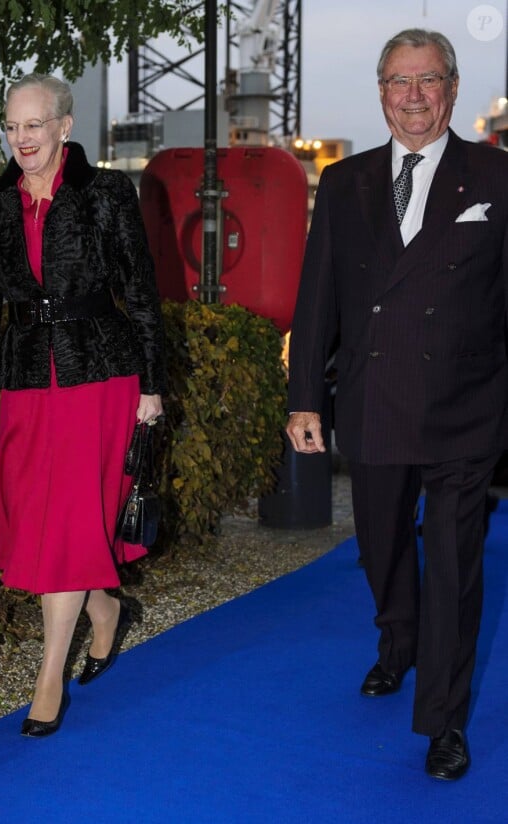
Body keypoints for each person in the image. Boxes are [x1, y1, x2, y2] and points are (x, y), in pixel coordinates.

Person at [286, 28, 508, 781]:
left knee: (453, 563)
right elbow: (318, 297)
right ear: (380, 92)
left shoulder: (497, 178)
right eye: (398, 81)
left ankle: (443, 721)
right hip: (375, 400)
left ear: (452, 87)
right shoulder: (345, 183)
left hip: (465, 406)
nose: (413, 96)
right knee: (380, 546)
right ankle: (397, 637)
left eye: (428, 80)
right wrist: (304, 398)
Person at [0, 74, 166, 737]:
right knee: (32, 520)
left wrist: (153, 387)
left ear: (64, 127)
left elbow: (141, 290)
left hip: (99, 375)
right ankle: (105, 610)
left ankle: (48, 679)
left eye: (35, 124)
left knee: (70, 520)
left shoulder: (104, 194)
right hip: (25, 378)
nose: (22, 138)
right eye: (13, 126)